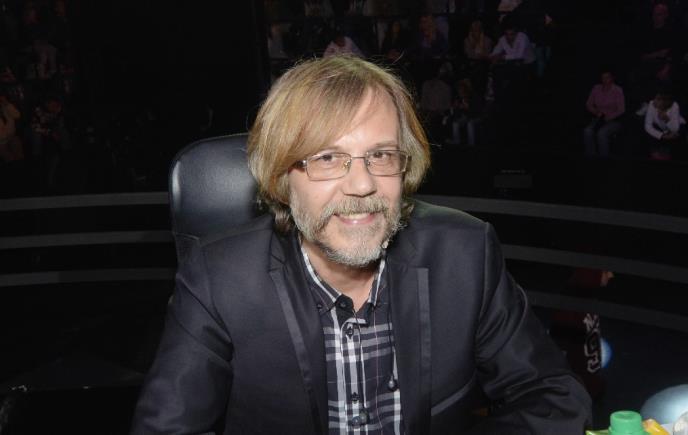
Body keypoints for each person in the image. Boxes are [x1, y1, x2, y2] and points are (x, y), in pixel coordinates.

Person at [132, 56, 591, 434]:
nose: (362, 184)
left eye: (381, 155)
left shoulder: (466, 255)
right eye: (328, 158)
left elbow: (555, 398)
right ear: (283, 179)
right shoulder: (218, 278)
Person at [584, 70, 625, 158]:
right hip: (599, 118)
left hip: (614, 119)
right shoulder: (596, 88)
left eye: (607, 77)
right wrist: (596, 111)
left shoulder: (617, 90)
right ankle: (591, 155)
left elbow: (621, 109)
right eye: (603, 78)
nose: (605, 80)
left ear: (612, 78)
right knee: (587, 131)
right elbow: (588, 104)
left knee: (601, 133)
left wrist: (608, 117)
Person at [643, 91, 685, 160]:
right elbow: (647, 126)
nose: (654, 101)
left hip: (676, 127)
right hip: (660, 129)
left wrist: (666, 119)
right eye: (655, 98)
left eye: (658, 99)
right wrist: (662, 136)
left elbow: (675, 128)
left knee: (677, 137)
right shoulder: (651, 103)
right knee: (649, 135)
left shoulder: (674, 105)